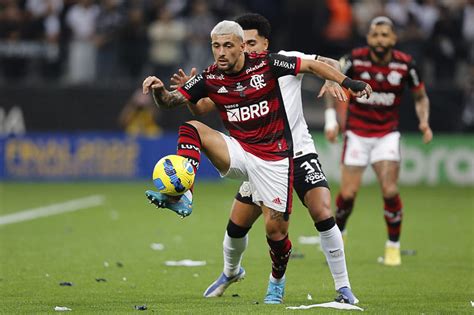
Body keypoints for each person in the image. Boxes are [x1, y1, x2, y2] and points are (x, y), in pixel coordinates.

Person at [142, 20, 371, 304]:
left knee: (288, 226)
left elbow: (322, 63)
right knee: (192, 131)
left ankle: (307, 283)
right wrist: (159, 90)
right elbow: (184, 104)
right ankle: (185, 195)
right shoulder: (213, 76)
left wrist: (342, 81)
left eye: (239, 44)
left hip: (286, 156)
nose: (225, 51)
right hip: (242, 151)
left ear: (260, 44)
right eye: (217, 46)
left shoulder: (275, 62)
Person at [325, 16, 432, 267]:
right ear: (369, 37)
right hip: (357, 134)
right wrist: (332, 121)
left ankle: (393, 247)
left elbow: (420, 97)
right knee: (348, 195)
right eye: (375, 34)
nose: (380, 39)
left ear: (394, 38)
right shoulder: (354, 59)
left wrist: (424, 121)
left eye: (385, 35)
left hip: (386, 134)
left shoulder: (406, 65)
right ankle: (338, 239)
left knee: (390, 190)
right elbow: (331, 81)